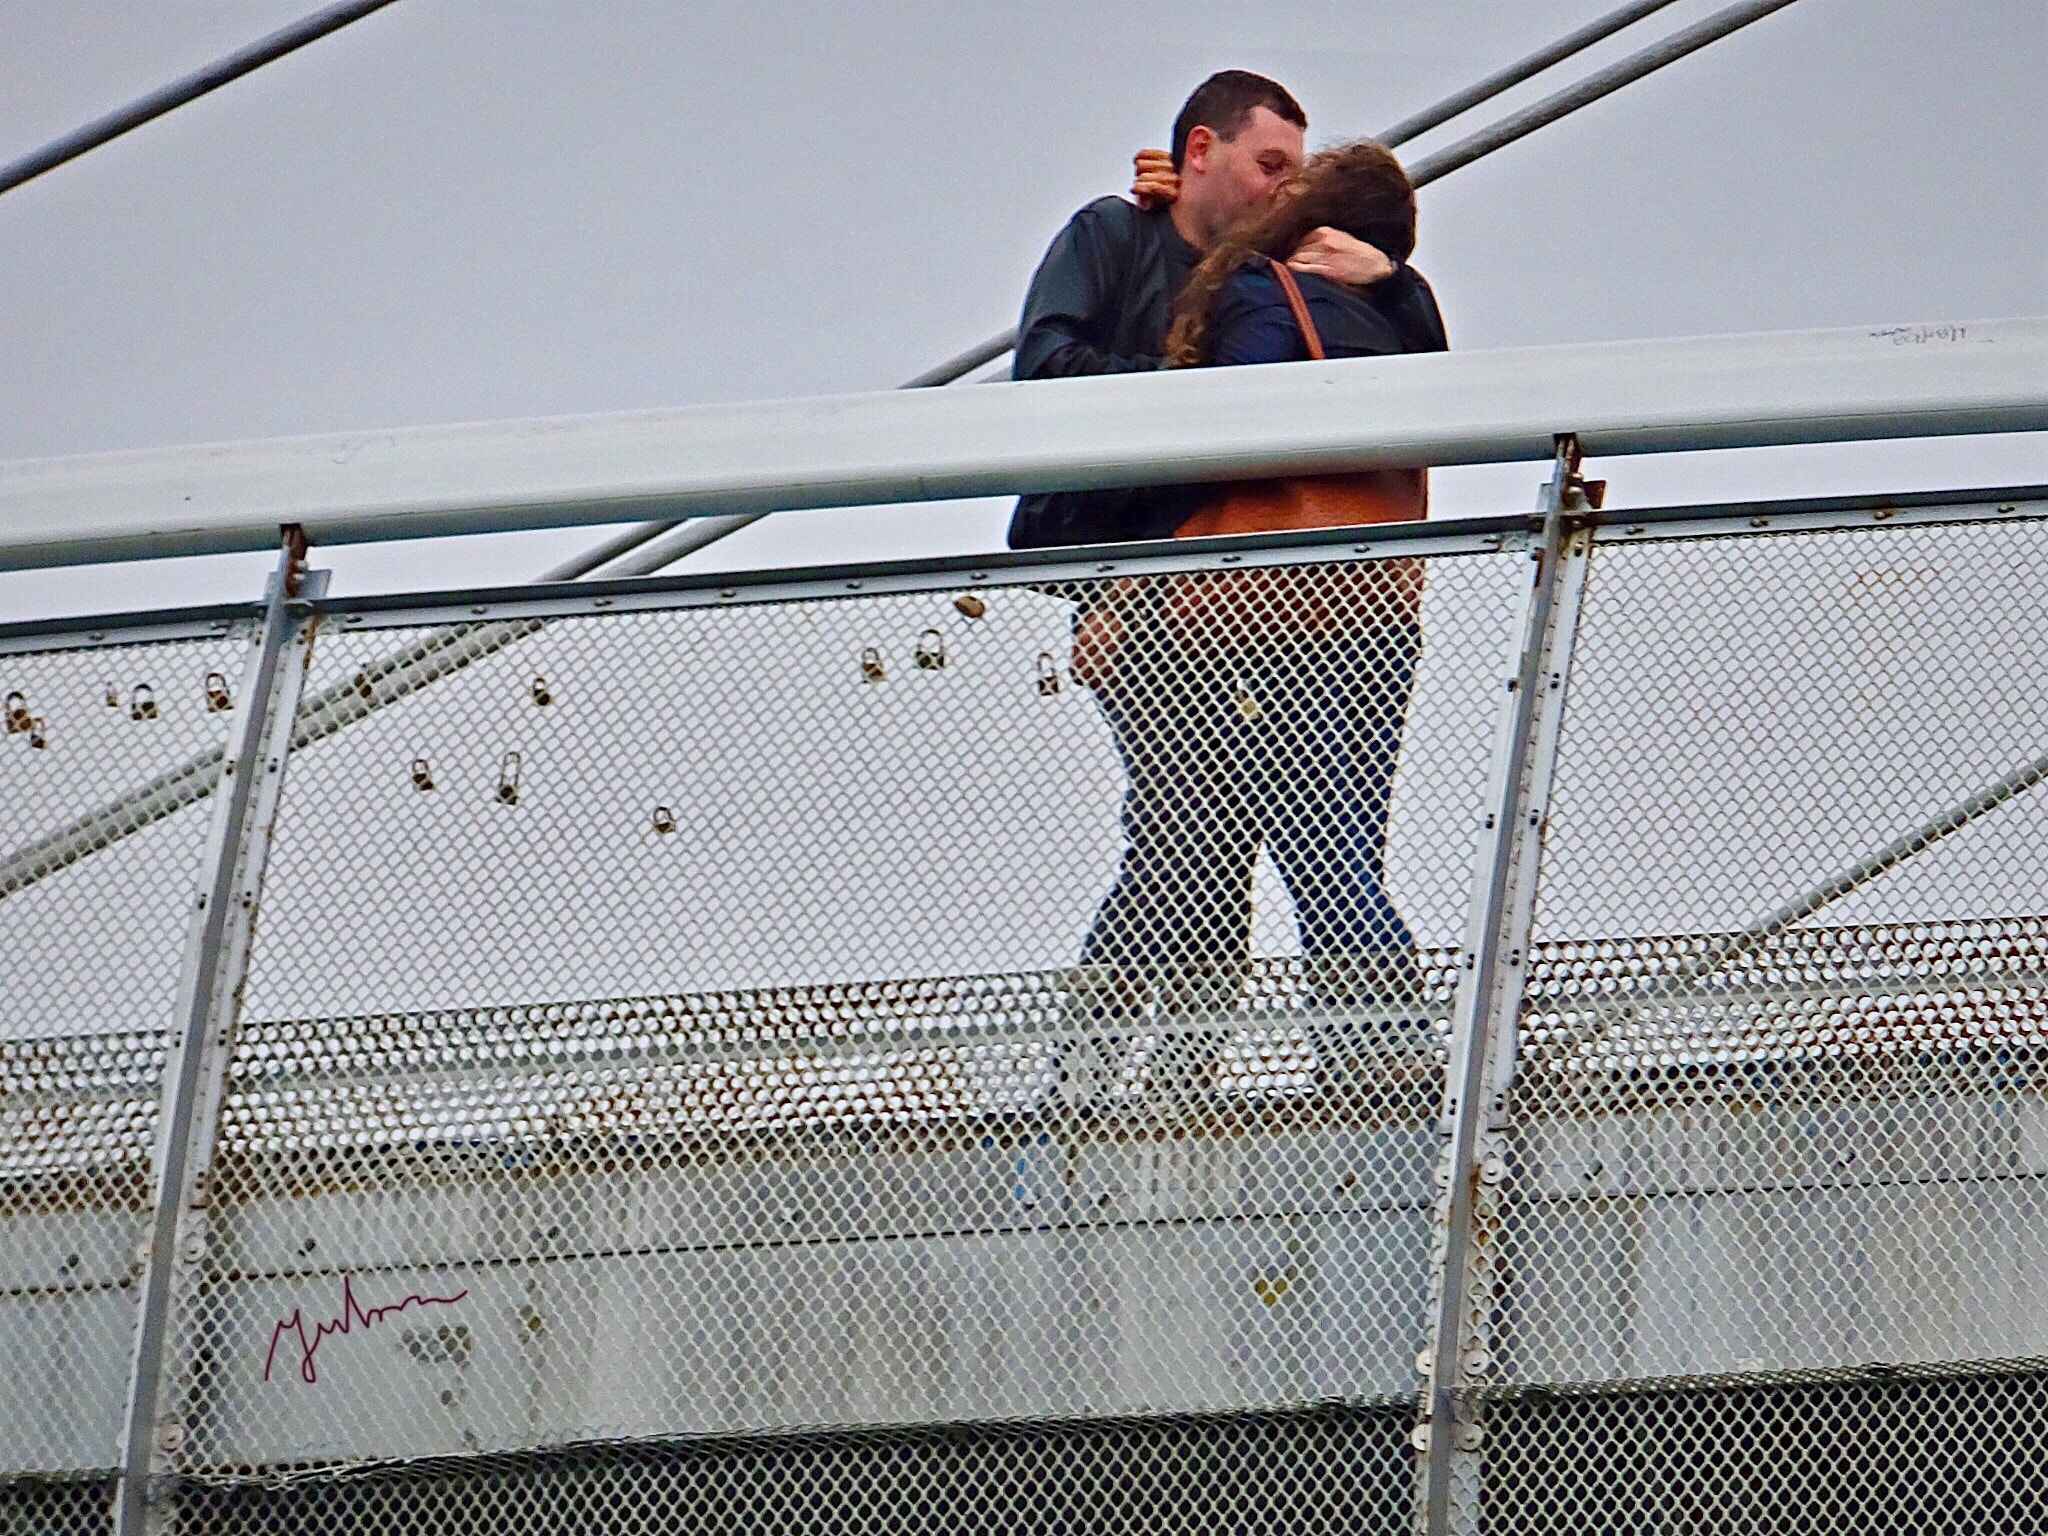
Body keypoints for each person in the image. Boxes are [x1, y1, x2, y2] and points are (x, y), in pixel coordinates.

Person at [1009, 76, 1405, 1105]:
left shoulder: (1276, 280)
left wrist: (1391, 277)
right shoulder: (1114, 237)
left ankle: (1178, 1079)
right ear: (1198, 150)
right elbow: (1045, 369)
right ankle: (1095, 1072)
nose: (1284, 190)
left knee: (1228, 832)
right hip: (1141, 586)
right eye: (1268, 165)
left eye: (1296, 173)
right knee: (1192, 828)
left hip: (1227, 591)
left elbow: (1404, 368)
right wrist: (1191, 397)